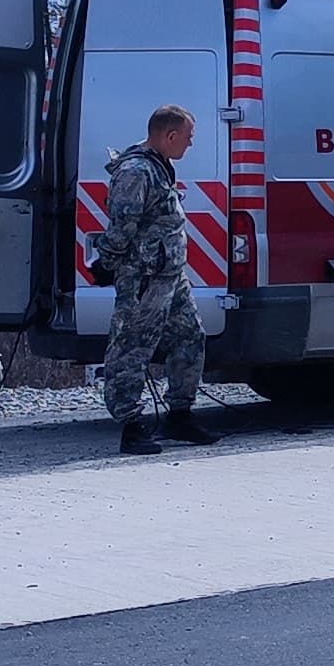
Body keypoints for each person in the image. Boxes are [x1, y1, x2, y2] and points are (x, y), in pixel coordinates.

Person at [101, 104, 219, 455]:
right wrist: (107, 261)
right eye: (188, 137)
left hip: (170, 274)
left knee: (190, 337)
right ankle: (131, 425)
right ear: (170, 136)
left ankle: (179, 414)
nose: (190, 144)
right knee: (132, 347)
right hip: (144, 277)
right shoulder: (136, 171)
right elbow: (122, 228)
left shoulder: (160, 166)